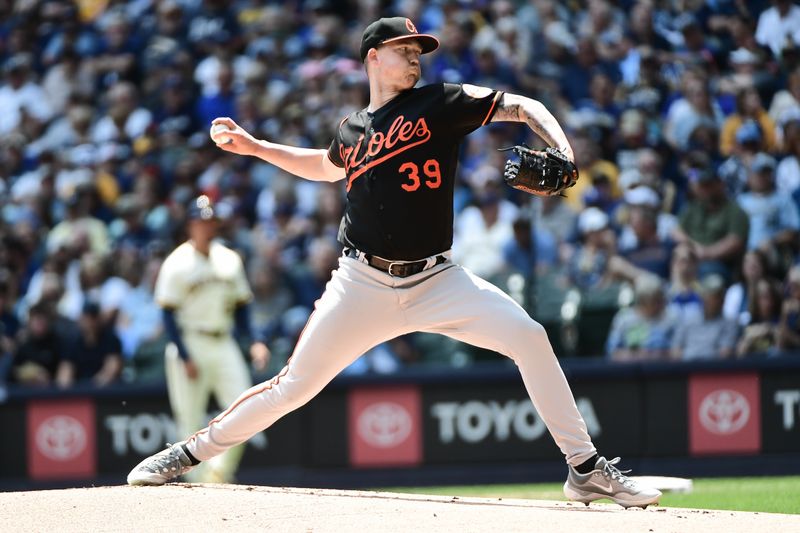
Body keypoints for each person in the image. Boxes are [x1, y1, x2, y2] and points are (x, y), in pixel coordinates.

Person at [128, 17, 661, 508]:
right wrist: (257, 146)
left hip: (438, 278)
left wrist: (563, 151)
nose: (414, 58)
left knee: (529, 336)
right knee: (292, 386)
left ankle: (585, 468)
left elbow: (522, 107)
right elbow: (323, 166)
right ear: (372, 57)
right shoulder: (352, 129)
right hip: (361, 283)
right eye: (403, 49)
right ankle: (188, 453)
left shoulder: (441, 102)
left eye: (418, 50)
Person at [149, 195, 269, 483]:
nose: (207, 226)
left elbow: (242, 307)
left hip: (223, 340)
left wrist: (254, 340)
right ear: (190, 224)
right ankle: (198, 486)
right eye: (201, 221)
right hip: (190, 341)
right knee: (189, 420)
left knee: (245, 412)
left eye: (211, 221)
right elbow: (168, 314)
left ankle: (219, 475)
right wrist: (184, 354)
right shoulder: (176, 262)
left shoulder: (228, 259)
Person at [671, 274, 739, 361]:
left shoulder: (731, 323)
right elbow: (675, 349)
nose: (711, 301)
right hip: (686, 369)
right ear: (702, 297)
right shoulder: (687, 318)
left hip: (713, 371)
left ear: (723, 300)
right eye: (708, 296)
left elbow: (725, 353)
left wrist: (691, 355)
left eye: (716, 297)